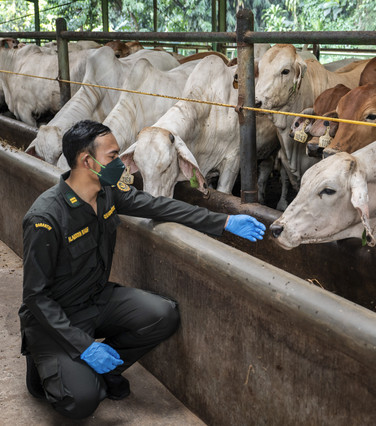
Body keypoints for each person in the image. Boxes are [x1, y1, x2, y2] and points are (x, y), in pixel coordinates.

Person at [19, 120, 266, 419]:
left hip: (94, 300)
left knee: (163, 315)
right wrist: (84, 347)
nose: (121, 164)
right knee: (82, 401)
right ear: (87, 161)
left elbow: (159, 207)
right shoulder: (45, 217)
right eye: (112, 156)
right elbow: (36, 297)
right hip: (54, 319)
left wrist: (222, 222)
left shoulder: (108, 192)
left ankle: (105, 371)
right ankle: (45, 368)